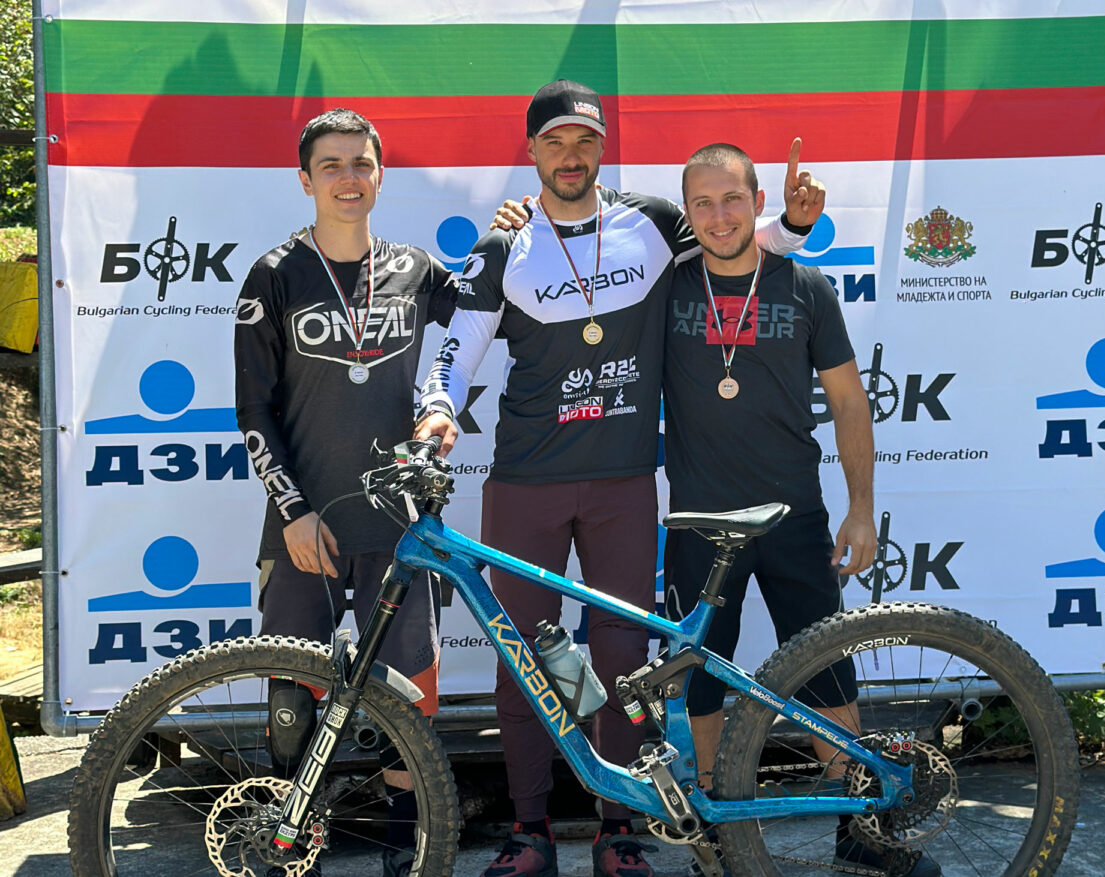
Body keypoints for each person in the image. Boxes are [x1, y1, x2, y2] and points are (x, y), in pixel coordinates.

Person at [415, 79, 824, 877]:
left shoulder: (654, 221)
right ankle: (529, 830)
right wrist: (436, 411)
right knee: (520, 664)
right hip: (526, 482)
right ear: (532, 151)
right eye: (555, 143)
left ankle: (619, 829)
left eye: (585, 141)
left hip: (625, 483)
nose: (571, 157)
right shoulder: (503, 246)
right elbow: (456, 350)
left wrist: (796, 224)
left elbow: (744, 243)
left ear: (602, 147)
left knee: (624, 664)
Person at [661, 143, 939, 876]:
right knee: (701, 673)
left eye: (733, 199)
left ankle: (859, 827)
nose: (720, 216)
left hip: (795, 516)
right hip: (699, 524)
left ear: (758, 203)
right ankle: (715, 829)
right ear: (687, 213)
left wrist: (862, 509)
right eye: (703, 203)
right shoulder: (667, 284)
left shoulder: (806, 286)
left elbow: (849, 402)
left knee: (826, 670)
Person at [234, 108, 456, 877]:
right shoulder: (273, 275)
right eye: (330, 165)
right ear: (305, 179)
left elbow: (476, 330)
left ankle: (407, 853)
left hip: (400, 529)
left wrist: (441, 397)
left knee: (408, 706)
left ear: (381, 174)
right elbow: (254, 411)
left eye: (361, 163)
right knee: (293, 710)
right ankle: (296, 853)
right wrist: (292, 510)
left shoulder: (419, 270)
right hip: (306, 530)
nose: (348, 178)